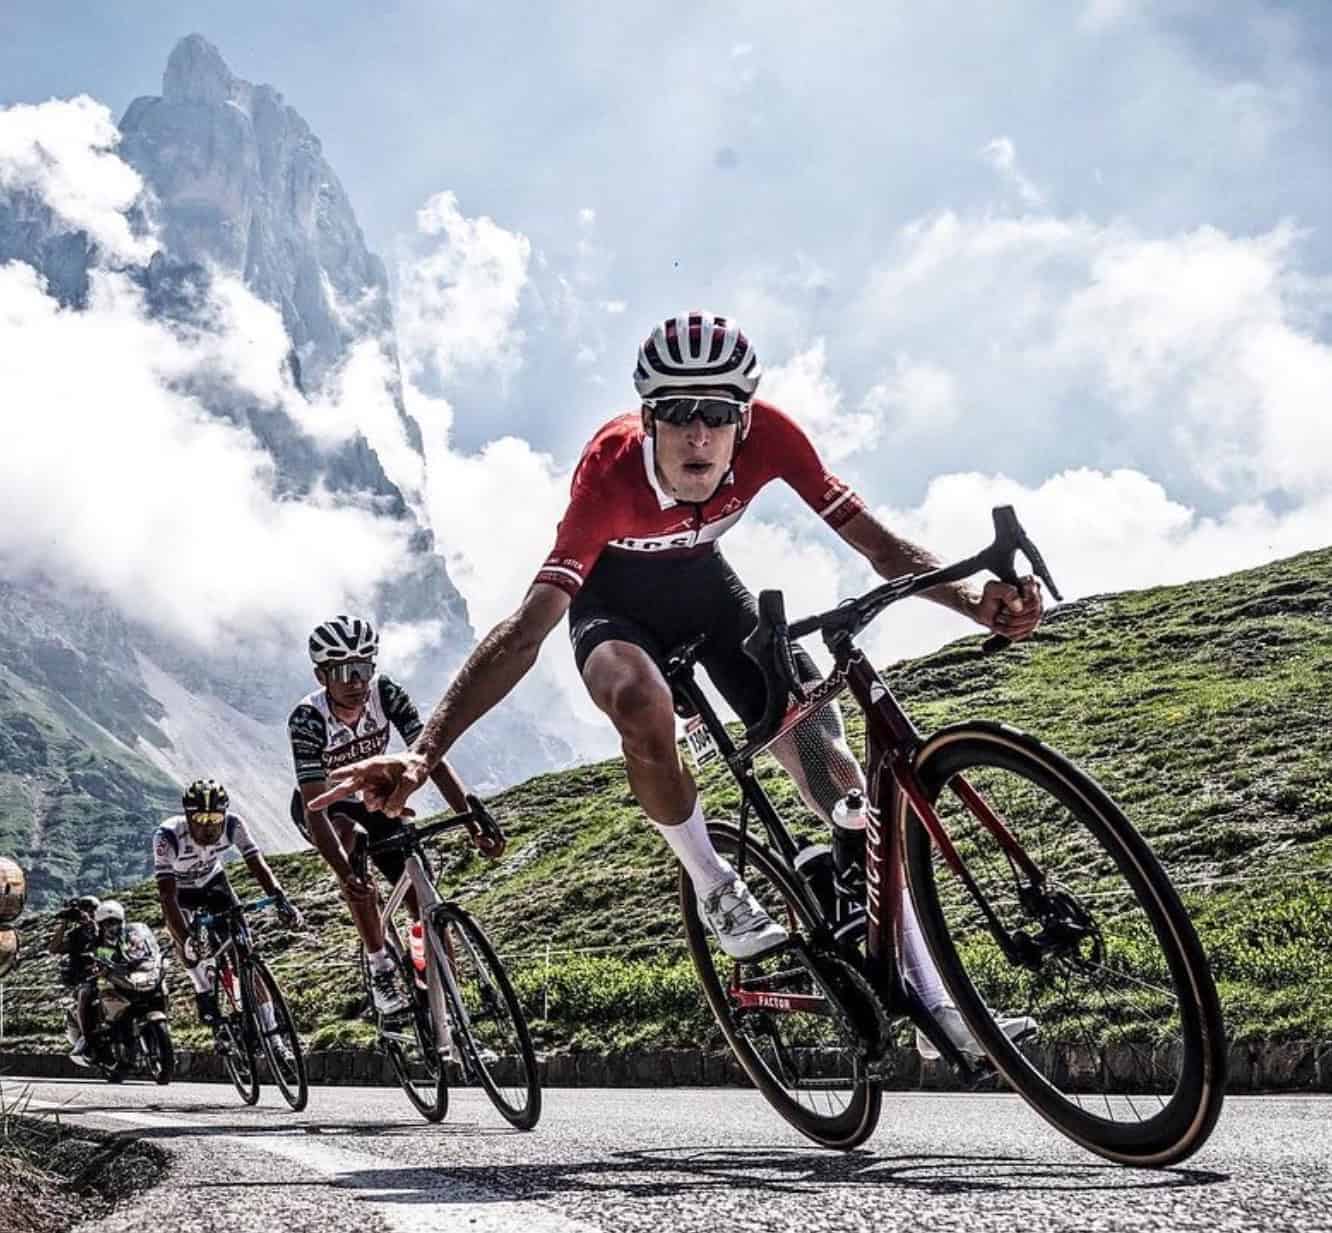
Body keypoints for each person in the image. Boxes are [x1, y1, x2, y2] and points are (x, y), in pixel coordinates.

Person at [316, 311, 1042, 1058]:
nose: (699, 434)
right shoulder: (609, 472)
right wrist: (425, 753)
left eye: (718, 415)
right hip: (611, 608)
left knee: (837, 775)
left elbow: (880, 547)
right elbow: (528, 630)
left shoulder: (775, 439)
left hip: (707, 591)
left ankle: (938, 1006)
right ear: (648, 419)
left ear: (744, 421)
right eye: (679, 414)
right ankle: (713, 881)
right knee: (641, 702)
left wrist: (972, 601)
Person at [289, 615, 499, 1016]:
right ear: (321, 676)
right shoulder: (307, 719)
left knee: (422, 891)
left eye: (363, 668)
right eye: (343, 672)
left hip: (374, 796)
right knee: (353, 851)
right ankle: (380, 966)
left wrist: (471, 821)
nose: (356, 682)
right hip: (325, 806)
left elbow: (431, 760)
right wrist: (346, 874)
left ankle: (441, 995)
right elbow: (315, 808)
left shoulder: (386, 693)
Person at [155, 779, 302, 1053]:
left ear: (224, 814)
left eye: (214, 818)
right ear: (188, 816)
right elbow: (166, 896)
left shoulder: (234, 824)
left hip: (214, 883)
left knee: (244, 952)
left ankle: (274, 1039)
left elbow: (257, 864)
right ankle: (202, 988)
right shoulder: (168, 836)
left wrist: (281, 898)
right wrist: (185, 939)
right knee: (187, 948)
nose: (208, 826)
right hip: (181, 892)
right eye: (200, 819)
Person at [48, 894, 101, 1062]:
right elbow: (54, 948)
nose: (89, 914)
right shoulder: (76, 935)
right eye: (86, 911)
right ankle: (87, 1039)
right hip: (85, 979)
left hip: (110, 974)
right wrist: (64, 922)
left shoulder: (106, 930)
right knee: (85, 994)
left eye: (93, 911)